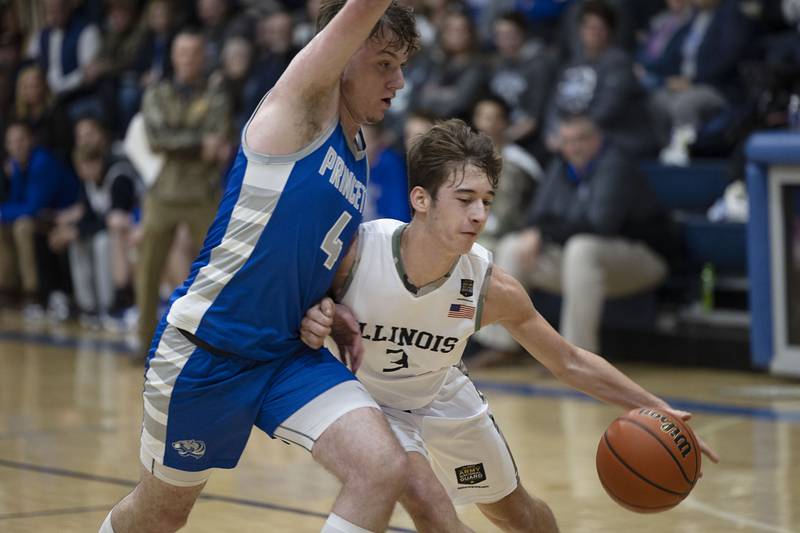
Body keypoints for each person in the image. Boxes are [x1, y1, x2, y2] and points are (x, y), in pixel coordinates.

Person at [300, 119, 720, 532]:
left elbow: (569, 361)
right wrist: (315, 313)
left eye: (487, 200)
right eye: (465, 199)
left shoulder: (490, 286)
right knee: (430, 507)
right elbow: (287, 300)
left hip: (441, 395)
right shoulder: (356, 254)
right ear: (421, 199)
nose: (479, 214)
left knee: (517, 515)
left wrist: (654, 406)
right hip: (370, 404)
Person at [98, 2, 419, 533]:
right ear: (341, 56)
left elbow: (307, 252)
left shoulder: (357, 147)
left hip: (287, 353)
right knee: (160, 514)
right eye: (384, 63)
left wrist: (327, 304)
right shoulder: (298, 106)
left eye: (402, 66)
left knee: (381, 468)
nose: (399, 81)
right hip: (209, 350)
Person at [479, 114, 673, 358]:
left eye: (581, 139)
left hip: (643, 260)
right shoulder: (561, 165)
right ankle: (501, 345)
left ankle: (577, 356)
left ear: (598, 139)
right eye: (567, 141)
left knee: (581, 248)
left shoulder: (616, 165)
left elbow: (600, 224)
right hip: (583, 265)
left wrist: (543, 232)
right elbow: (536, 216)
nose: (574, 147)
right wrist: (537, 232)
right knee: (513, 246)